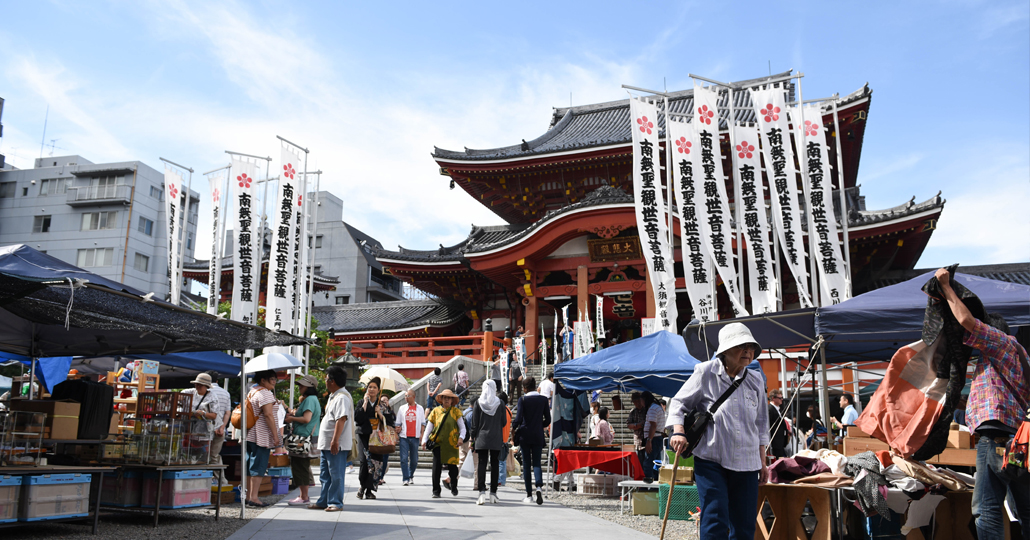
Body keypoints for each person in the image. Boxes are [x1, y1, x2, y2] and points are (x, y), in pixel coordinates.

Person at [934, 267, 1030, 538]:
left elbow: (966, 320)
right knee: (1026, 509)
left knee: (986, 508)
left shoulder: (1000, 343)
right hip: (1019, 443)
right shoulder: (1021, 358)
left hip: (995, 438)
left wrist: (946, 287)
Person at [667, 322, 769, 540]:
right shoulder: (705, 372)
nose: (747, 352)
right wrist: (677, 431)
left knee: (744, 524)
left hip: (748, 462)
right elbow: (678, 403)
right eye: (741, 346)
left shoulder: (756, 379)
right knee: (715, 517)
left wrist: (763, 461)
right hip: (712, 458)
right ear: (725, 350)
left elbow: (761, 423)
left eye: (751, 348)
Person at [310, 366, 352, 512]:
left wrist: (335, 440)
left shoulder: (342, 397)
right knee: (325, 474)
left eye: (327, 379)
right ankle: (324, 500)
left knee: (336, 474)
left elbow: (341, 419)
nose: (325, 381)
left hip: (335, 443)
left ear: (332, 381)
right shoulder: (334, 395)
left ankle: (335, 502)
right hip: (327, 443)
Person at [244, 370, 283, 508]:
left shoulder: (253, 391)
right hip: (261, 435)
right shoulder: (265, 393)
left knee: (249, 466)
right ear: (262, 380)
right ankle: (254, 497)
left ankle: (248, 496)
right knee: (259, 466)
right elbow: (268, 415)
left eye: (274, 379)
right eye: (271, 379)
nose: (274, 382)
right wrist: (275, 435)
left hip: (250, 433)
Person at [513, 376, 550, 505]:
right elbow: (548, 420)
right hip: (538, 434)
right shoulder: (544, 400)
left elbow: (518, 419)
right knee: (537, 463)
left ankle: (529, 494)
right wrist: (540, 425)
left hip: (525, 435)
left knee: (527, 464)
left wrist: (513, 428)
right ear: (535, 386)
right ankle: (539, 487)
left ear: (524, 388)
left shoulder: (522, 400)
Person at [285, 374, 322, 506]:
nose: (300, 387)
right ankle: (303, 495)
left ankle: (303, 496)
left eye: (302, 385)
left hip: (302, 437)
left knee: (300, 467)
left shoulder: (310, 400)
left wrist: (291, 419)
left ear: (309, 387)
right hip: (304, 437)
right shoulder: (312, 399)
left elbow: (306, 419)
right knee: (301, 466)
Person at [422, 389, 465, 498]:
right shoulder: (435, 411)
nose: (446, 399)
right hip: (438, 444)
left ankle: (454, 486)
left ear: (452, 400)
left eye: (449, 398)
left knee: (453, 469)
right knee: (436, 468)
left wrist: (461, 438)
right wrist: (424, 440)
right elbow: (429, 427)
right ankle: (436, 490)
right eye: (444, 397)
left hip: (452, 444)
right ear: (441, 399)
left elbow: (462, 428)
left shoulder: (456, 412)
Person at [471, 380, 507, 505]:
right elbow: (504, 422)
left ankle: (481, 493)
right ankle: (493, 493)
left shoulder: (478, 403)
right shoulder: (500, 403)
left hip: (481, 438)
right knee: (495, 464)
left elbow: (474, 424)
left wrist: (472, 438)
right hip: (496, 437)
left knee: (482, 463)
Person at [354, 377, 386, 500]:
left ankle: (368, 490)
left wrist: (381, 413)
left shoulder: (381, 404)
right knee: (364, 461)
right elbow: (358, 418)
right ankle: (362, 486)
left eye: (374, 387)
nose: (372, 389)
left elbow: (390, 422)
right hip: (364, 435)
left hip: (377, 437)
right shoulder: (361, 402)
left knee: (375, 463)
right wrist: (365, 404)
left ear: (378, 390)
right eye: (370, 387)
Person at [394, 389, 425, 486]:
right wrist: (397, 430)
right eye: (405, 396)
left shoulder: (420, 408)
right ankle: (405, 478)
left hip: (415, 437)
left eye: (408, 396)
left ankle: (411, 475)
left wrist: (422, 434)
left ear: (414, 397)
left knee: (414, 459)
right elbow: (398, 423)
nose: (406, 398)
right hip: (404, 436)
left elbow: (423, 423)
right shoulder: (402, 408)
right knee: (403, 458)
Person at [206, 374, 233, 482]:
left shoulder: (205, 392)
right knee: (215, 455)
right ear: (217, 380)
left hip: (205, 427)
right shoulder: (225, 393)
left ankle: (207, 481)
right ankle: (222, 481)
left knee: (202, 455)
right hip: (220, 428)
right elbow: (227, 412)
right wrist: (222, 427)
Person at [641, 391, 666, 483]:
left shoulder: (652, 409)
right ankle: (656, 484)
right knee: (656, 463)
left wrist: (649, 440)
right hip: (657, 437)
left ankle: (649, 486)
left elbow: (653, 425)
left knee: (648, 463)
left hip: (654, 438)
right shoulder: (657, 407)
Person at [626, 392, 647, 474]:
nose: (637, 404)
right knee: (639, 463)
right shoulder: (633, 411)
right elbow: (628, 425)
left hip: (647, 440)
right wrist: (637, 425)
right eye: (635, 402)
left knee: (647, 464)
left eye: (638, 401)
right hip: (637, 441)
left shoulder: (647, 410)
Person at [377, 394, 396, 485]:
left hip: (388, 436)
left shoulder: (391, 411)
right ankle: (377, 476)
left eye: (386, 400)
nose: (385, 402)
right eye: (383, 400)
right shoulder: (378, 410)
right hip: (379, 436)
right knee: (379, 458)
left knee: (385, 458)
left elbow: (392, 422)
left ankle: (381, 477)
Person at [496, 390, 512, 486]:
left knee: (500, 461)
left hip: (500, 438)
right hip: (505, 438)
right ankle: (501, 480)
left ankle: (500, 481)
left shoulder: (501, 410)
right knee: (502, 461)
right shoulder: (508, 410)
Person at [767, 389, 789, 458]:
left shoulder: (778, 409)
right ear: (773, 398)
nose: (782, 399)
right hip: (774, 442)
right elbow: (768, 425)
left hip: (780, 442)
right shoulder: (770, 409)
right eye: (780, 398)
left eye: (782, 398)